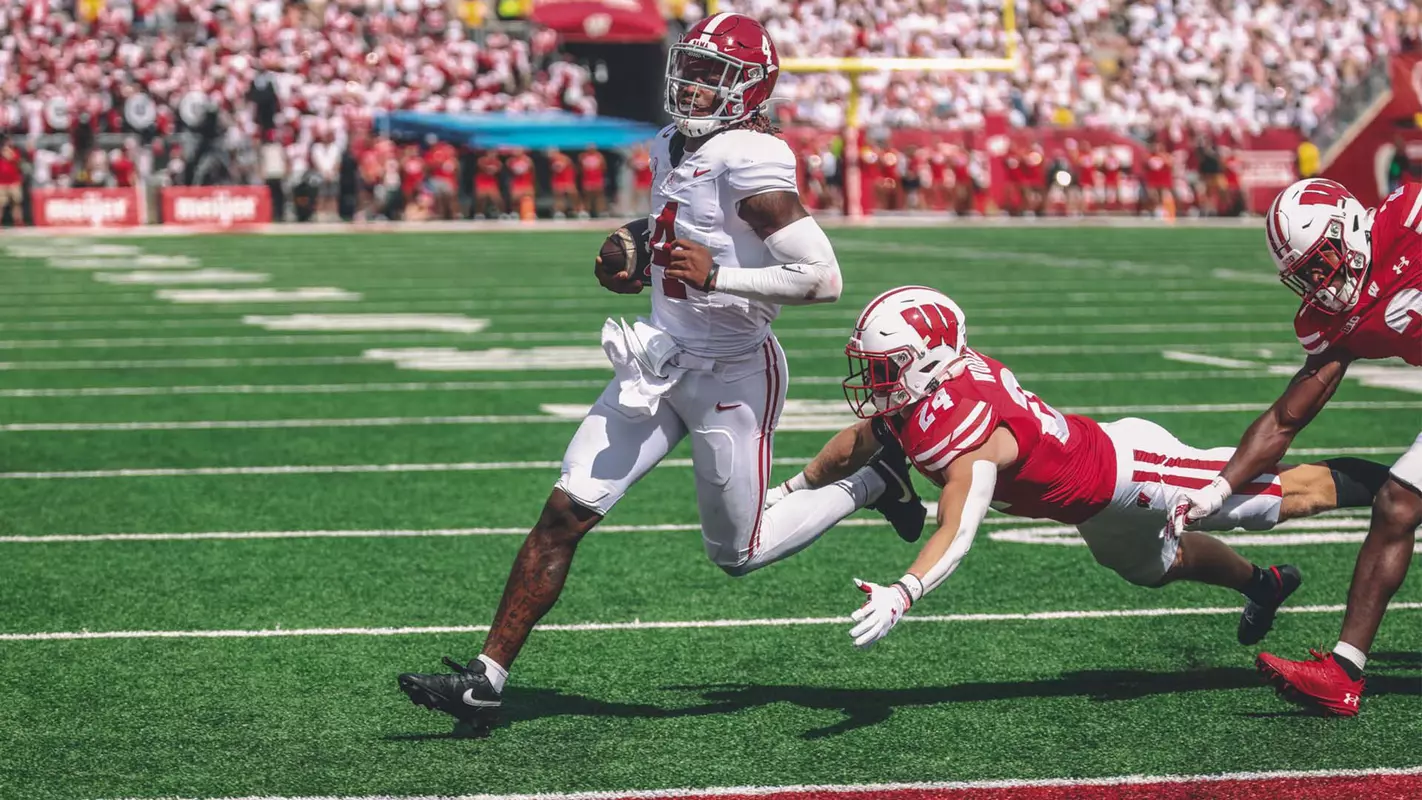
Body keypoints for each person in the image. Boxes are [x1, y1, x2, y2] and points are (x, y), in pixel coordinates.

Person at [396, 13, 919, 736]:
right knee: (565, 511)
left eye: (713, 74)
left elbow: (823, 278)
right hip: (657, 357)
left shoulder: (752, 157)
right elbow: (675, 220)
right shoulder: (670, 140)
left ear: (750, 86)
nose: (694, 83)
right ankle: (485, 680)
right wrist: (629, 244)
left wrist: (720, 275)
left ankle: (870, 481)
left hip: (735, 371)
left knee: (738, 553)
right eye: (693, 68)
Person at [773, 286, 1385, 649]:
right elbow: (860, 440)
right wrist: (790, 488)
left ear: (926, 362)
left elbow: (957, 531)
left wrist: (904, 592)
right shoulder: (929, 394)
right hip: (1090, 509)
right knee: (1156, 567)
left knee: (1275, 500)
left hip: (1136, 471)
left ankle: (1399, 487)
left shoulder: (970, 428)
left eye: (884, 367)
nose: (873, 381)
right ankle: (1264, 584)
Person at [1168, 178, 1421, 716]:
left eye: (1321, 260)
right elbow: (1287, 417)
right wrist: (1218, 489)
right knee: (1399, 503)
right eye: (1305, 274)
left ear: (1347, 226)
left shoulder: (1410, 216)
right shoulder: (1333, 317)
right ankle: (1343, 673)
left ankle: (1343, 671)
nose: (1320, 281)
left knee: (1399, 501)